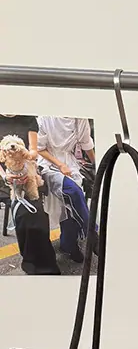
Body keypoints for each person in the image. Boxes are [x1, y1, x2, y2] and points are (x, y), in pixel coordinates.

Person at [0, 114, 60, 274]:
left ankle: (46, 263)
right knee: (23, 214)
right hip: (4, 176)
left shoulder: (28, 118)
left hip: (28, 170)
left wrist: (27, 157)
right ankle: (30, 261)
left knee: (37, 213)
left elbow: (34, 150)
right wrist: (5, 176)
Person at [37, 116, 96, 263]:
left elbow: (86, 144)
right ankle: (92, 232)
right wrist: (60, 165)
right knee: (73, 192)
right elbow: (40, 149)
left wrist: (97, 165)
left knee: (72, 203)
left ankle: (69, 244)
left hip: (71, 163)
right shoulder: (45, 117)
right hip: (48, 164)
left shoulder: (80, 118)